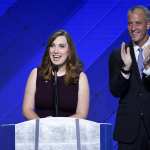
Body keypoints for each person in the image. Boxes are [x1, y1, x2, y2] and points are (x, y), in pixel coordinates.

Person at [22, 29, 89, 120]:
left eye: (61, 46)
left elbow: (81, 114)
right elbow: (27, 109)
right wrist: (43, 125)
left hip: (68, 131)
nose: (55, 51)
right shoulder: (36, 73)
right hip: (40, 130)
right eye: (52, 46)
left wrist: (58, 126)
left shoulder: (80, 78)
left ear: (69, 51)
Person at [109, 5, 150, 150]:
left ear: (148, 24)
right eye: (130, 23)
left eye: (138, 23)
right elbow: (115, 91)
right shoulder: (118, 54)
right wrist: (125, 69)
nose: (133, 28)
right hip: (128, 132)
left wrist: (148, 69)